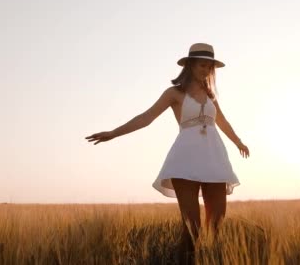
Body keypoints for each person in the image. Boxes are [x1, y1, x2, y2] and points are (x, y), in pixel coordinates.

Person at [85, 42, 249, 263]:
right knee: (193, 229)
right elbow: (146, 117)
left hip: (215, 160)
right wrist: (114, 133)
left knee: (216, 225)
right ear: (190, 65)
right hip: (185, 160)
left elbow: (222, 121)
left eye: (209, 67)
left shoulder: (211, 97)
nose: (206, 71)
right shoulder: (174, 93)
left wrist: (239, 142)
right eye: (202, 65)